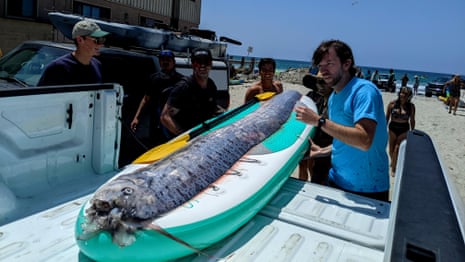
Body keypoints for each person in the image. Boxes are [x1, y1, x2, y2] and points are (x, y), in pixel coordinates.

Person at [295, 39, 389, 202]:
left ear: (346, 64)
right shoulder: (334, 98)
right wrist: (322, 151)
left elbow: (364, 140)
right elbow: (345, 139)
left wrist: (320, 121)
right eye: (320, 65)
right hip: (336, 180)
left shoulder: (364, 92)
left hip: (368, 188)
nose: (323, 70)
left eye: (329, 63)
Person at [160, 48, 223, 135]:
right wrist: (184, 135)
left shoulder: (211, 85)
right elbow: (165, 117)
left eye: (206, 62)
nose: (202, 66)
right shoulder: (183, 87)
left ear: (211, 64)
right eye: (198, 62)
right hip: (187, 137)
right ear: (193, 65)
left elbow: (213, 108)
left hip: (202, 133)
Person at [130, 50, 184, 146]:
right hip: (156, 123)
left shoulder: (181, 80)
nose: (165, 62)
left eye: (168, 60)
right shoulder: (154, 79)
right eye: (162, 60)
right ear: (159, 62)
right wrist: (136, 118)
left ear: (174, 62)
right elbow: (146, 99)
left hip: (175, 121)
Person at [38, 20, 109, 86]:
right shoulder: (58, 68)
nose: (101, 45)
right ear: (80, 40)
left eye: (102, 39)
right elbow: (41, 97)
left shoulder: (97, 65)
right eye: (97, 40)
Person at [298, 72, 333, 184]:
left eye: (323, 82)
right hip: (310, 139)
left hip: (327, 148)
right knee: (303, 165)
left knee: (316, 173)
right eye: (318, 82)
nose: (320, 85)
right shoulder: (310, 97)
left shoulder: (334, 102)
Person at [385, 87, 415, 176]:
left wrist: (413, 132)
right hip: (393, 127)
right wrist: (383, 129)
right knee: (391, 149)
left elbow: (412, 120)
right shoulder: (392, 104)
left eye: (406, 94)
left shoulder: (411, 107)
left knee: (397, 149)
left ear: (409, 96)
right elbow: (387, 118)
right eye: (402, 93)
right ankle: (394, 161)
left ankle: (394, 168)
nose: (403, 95)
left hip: (404, 129)